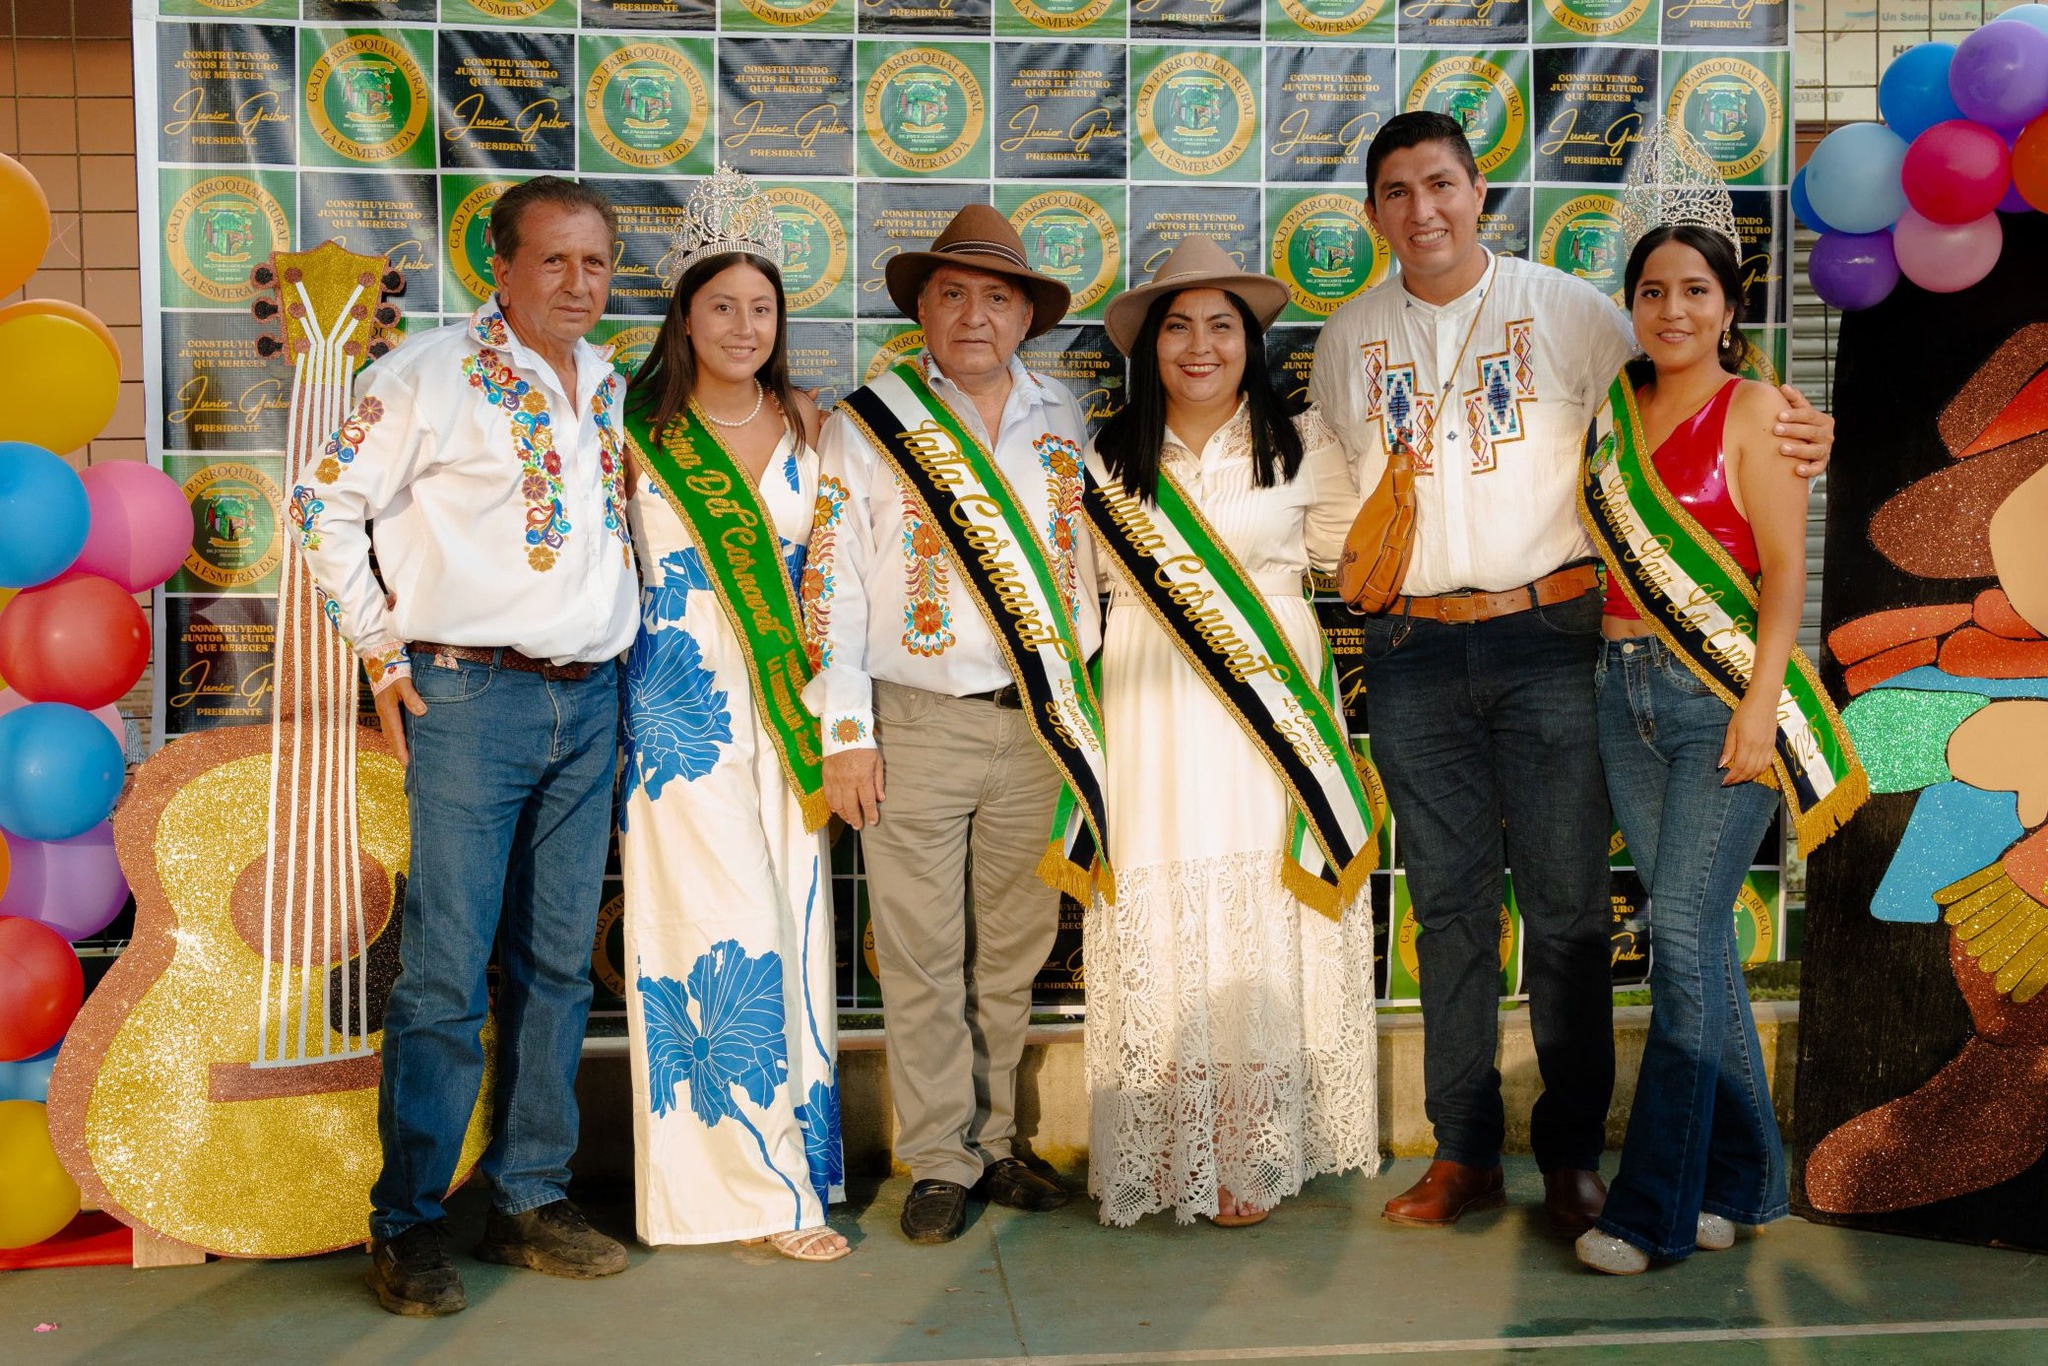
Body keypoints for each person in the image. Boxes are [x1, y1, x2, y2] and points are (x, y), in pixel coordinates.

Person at [1309, 112, 1835, 1236]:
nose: (1422, 209)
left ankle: (1569, 1157)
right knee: (1446, 909)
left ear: (1478, 189)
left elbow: (1690, 388)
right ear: (1372, 213)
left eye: (1441, 183)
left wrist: (1799, 426)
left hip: (1552, 636)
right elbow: (1330, 495)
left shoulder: (1571, 311)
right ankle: (1460, 1151)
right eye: (1396, 191)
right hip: (1408, 648)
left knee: (1564, 912)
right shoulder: (1346, 336)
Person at [291, 175, 635, 1315]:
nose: (577, 283)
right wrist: (380, 656)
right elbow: (319, 504)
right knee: (445, 970)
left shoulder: (608, 382)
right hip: (468, 697)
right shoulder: (424, 375)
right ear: (500, 266)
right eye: (553, 260)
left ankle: (530, 1196)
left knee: (555, 962)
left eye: (594, 262)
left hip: (590, 698)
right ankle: (409, 1222)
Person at [803, 204, 1105, 1245]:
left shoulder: (1063, 417)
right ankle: (938, 1157)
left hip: (1037, 723)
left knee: (1012, 949)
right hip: (915, 721)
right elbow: (833, 584)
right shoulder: (867, 421)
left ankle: (995, 1140)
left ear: (1025, 315)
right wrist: (847, 731)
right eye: (952, 295)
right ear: (922, 312)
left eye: (996, 297)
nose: (975, 315)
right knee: (923, 952)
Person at [1575, 219, 1864, 1273]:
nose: (1672, 310)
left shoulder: (1757, 412)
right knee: (1696, 950)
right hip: (1620, 692)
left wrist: (1757, 704)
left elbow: (1784, 572)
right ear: (1632, 305)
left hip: (1718, 700)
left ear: (1730, 307)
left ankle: (1649, 1211)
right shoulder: (1610, 417)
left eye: (1695, 290)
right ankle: (1743, 1183)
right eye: (1652, 291)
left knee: (1685, 943)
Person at [1081, 237, 1381, 1228]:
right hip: (1149, 714)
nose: (1199, 345)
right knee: (1165, 911)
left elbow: (1358, 564)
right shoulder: (1103, 458)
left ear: (1251, 343)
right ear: (1149, 347)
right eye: (1177, 327)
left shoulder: (1304, 445)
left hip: (1268, 714)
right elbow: (1078, 601)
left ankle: (1248, 1144)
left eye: (1221, 325)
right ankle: (1177, 1143)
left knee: (1261, 905)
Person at [616, 166, 845, 1260]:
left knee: (794, 922)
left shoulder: (811, 425)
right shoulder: (630, 431)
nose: (744, 327)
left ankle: (794, 1162)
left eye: (762, 308)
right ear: (683, 316)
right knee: (716, 928)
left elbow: (836, 577)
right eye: (722, 307)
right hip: (681, 713)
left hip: (791, 703)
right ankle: (753, 1195)